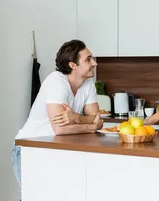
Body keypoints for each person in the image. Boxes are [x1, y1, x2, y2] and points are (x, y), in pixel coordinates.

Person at [11, 39, 104, 189]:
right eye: (88, 60)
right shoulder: (56, 82)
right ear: (73, 65)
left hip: (53, 149)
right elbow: (60, 129)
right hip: (29, 150)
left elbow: (96, 117)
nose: (94, 63)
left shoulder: (88, 84)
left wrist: (77, 118)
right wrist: (91, 127)